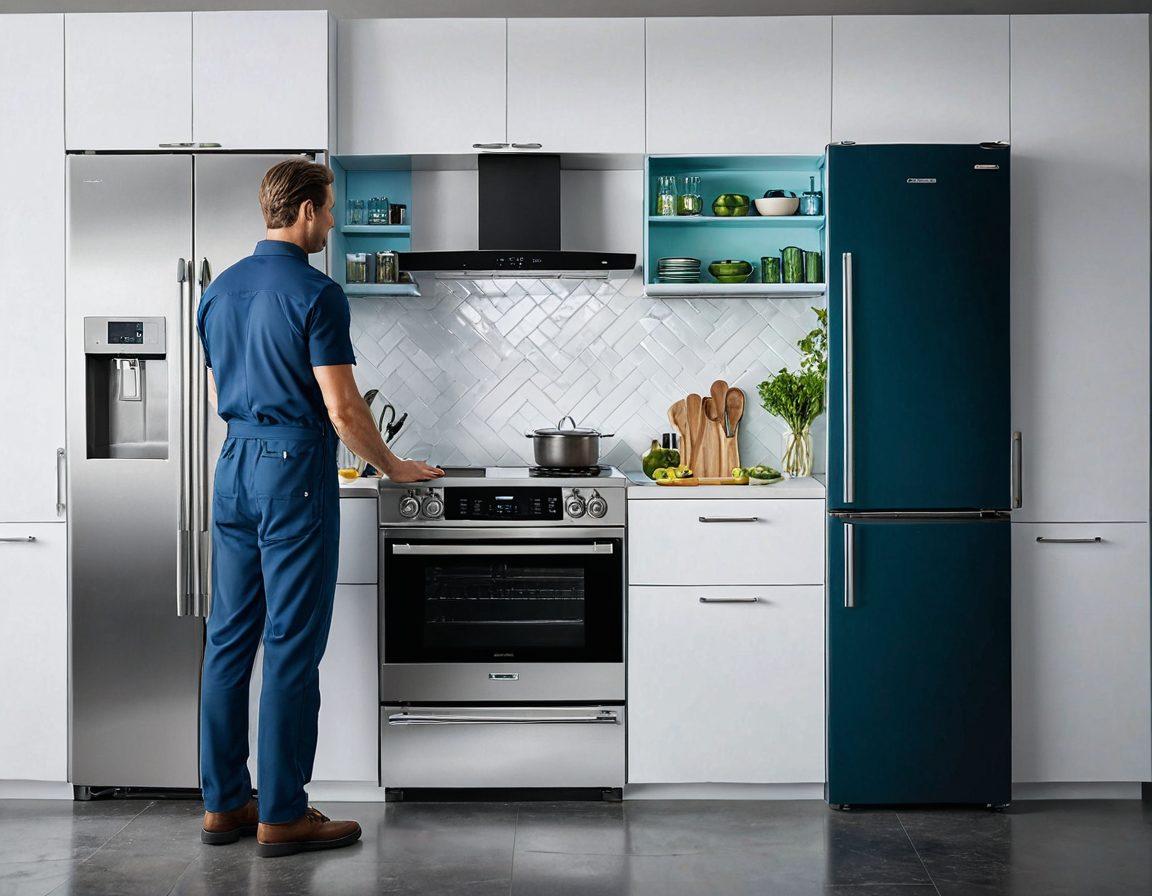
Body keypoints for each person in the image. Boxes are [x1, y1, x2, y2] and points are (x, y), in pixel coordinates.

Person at [195, 159, 443, 857]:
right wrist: (393, 467)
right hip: (292, 472)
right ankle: (282, 813)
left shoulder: (217, 292)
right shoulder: (317, 292)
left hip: (234, 466)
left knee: (228, 640)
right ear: (304, 211)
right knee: (292, 646)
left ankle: (224, 805)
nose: (331, 222)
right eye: (329, 210)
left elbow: (236, 382)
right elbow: (341, 405)